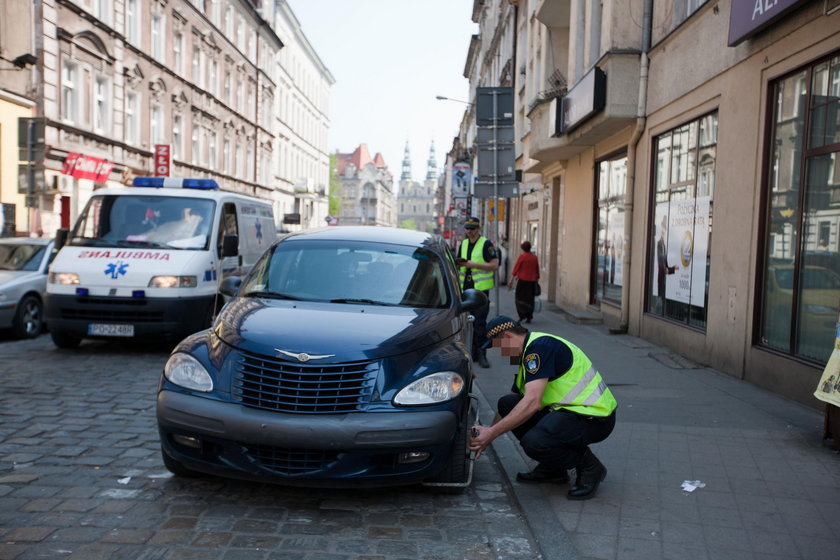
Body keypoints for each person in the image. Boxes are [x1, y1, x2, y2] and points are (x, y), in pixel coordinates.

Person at [469, 316, 617, 500]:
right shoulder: (529, 352)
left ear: (507, 336)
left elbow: (532, 403)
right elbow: (515, 399)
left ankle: (590, 466)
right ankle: (554, 469)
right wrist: (489, 433)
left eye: (499, 346)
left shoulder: (539, 349)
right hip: (569, 412)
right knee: (507, 403)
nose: (501, 353)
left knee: (535, 442)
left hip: (593, 416)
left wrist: (491, 434)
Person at [457, 216, 499, 369]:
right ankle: (472, 353)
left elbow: (494, 265)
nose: (469, 231)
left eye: (472, 228)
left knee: (480, 323)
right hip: (465, 289)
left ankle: (482, 354)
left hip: (481, 291)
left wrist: (471, 264)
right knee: (468, 323)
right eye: (467, 228)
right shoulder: (464, 243)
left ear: (478, 229)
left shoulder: (486, 244)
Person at [509, 240, 539, 324]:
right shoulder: (534, 257)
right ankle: (529, 316)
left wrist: (511, 280)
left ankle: (522, 315)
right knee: (530, 299)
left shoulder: (522, 257)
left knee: (519, 298)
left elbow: (516, 268)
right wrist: (537, 279)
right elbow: (537, 269)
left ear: (523, 248)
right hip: (531, 282)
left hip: (522, 281)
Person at [656, 215, 678, 300]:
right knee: (660, 301)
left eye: (665, 229)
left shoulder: (664, 245)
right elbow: (662, 267)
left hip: (663, 280)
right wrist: (670, 270)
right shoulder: (659, 244)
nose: (663, 231)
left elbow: (665, 266)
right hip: (661, 279)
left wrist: (673, 268)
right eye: (663, 228)